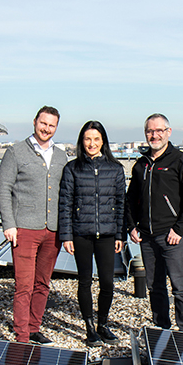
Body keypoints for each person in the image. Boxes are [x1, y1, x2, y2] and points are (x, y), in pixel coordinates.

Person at [0, 106, 67, 344]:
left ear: (56, 128)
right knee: (24, 284)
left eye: (51, 125)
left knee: (42, 283)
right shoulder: (15, 152)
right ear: (35, 121)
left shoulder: (60, 156)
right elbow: (3, 188)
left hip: (53, 230)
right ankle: (22, 335)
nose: (46, 129)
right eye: (43, 123)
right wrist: (9, 223)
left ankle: (35, 326)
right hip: (24, 229)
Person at [125, 113, 183, 333]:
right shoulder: (141, 165)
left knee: (179, 286)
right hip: (146, 236)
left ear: (168, 132)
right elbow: (130, 199)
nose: (154, 135)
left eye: (159, 130)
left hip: (171, 235)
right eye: (150, 131)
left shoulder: (181, 162)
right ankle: (161, 328)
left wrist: (180, 228)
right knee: (154, 286)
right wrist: (131, 225)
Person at [58, 121, 126, 347]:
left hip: (107, 234)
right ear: (81, 141)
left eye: (96, 139)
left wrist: (120, 235)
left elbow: (120, 203)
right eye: (87, 139)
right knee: (84, 281)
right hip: (81, 234)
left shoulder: (115, 169)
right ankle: (89, 328)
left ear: (103, 141)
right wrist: (66, 236)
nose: (92, 144)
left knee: (107, 282)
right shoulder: (72, 169)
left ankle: (103, 324)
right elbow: (65, 203)